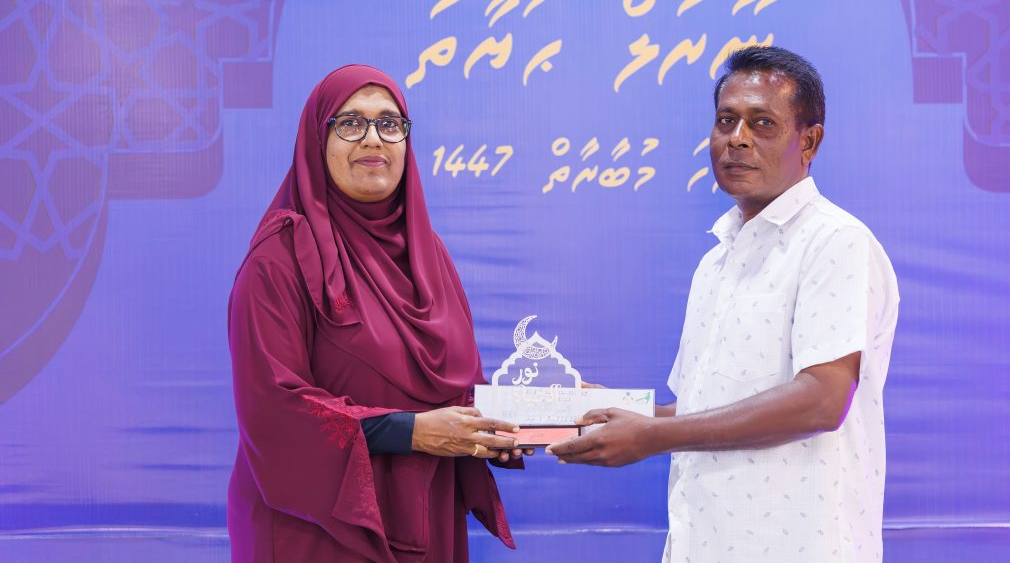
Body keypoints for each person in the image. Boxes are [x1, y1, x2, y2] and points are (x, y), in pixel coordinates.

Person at [549, 46, 900, 562]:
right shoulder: (716, 261)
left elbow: (823, 400)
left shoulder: (835, 240)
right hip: (704, 541)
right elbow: (702, 406)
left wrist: (654, 435)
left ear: (809, 141)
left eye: (762, 123)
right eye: (725, 121)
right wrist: (621, 412)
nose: (737, 138)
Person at [227, 64, 526, 563]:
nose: (373, 138)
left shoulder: (428, 254)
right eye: (350, 123)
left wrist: (523, 416)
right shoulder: (280, 257)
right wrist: (414, 432)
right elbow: (272, 409)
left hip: (426, 519)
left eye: (390, 123)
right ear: (316, 141)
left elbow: (456, 389)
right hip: (319, 532)